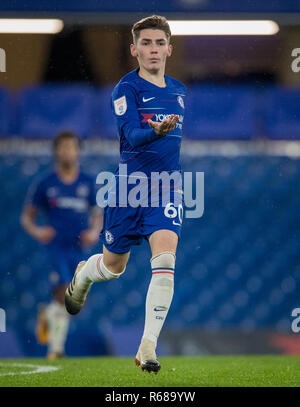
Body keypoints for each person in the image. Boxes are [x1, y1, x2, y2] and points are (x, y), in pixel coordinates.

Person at [65, 15, 186, 374]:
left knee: (166, 261)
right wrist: (156, 132)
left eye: (159, 43)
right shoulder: (126, 89)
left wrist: (162, 136)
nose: (153, 49)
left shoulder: (179, 90)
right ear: (134, 50)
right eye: (145, 43)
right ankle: (85, 274)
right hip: (128, 191)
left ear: (169, 48)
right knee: (113, 268)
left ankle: (148, 344)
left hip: (167, 189)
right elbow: (132, 137)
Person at [21, 131, 102, 359]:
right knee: (63, 293)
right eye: (63, 147)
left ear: (78, 151)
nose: (68, 151)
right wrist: (38, 231)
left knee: (74, 303)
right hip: (56, 247)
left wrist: (94, 232)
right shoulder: (46, 183)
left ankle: (47, 316)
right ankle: (56, 350)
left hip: (79, 249)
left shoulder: (86, 182)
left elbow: (97, 214)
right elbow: (27, 217)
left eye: (72, 147)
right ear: (57, 151)